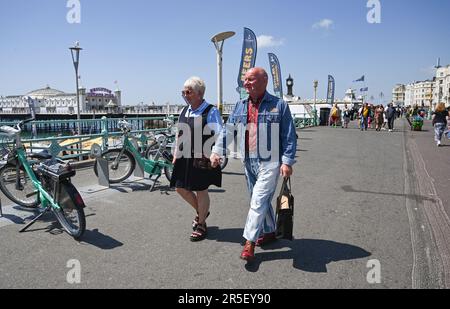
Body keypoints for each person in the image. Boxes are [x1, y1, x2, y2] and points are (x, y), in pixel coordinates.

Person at [210, 68, 297, 262]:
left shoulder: (279, 105)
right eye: (245, 80)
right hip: (248, 159)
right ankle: (269, 231)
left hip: (270, 160)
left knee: (257, 200)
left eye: (250, 79)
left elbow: (289, 136)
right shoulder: (240, 106)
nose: (246, 83)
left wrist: (287, 161)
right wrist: (217, 151)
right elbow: (228, 130)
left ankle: (249, 242)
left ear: (264, 81)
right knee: (258, 199)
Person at [170, 77, 223, 242]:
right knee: (180, 188)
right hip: (184, 156)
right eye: (183, 92)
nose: (185, 95)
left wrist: (216, 152)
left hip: (202, 156)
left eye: (188, 92)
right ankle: (202, 212)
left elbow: (221, 134)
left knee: (201, 189)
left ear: (199, 94)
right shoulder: (184, 111)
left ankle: (201, 224)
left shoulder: (211, 111)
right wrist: (175, 152)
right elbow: (180, 133)